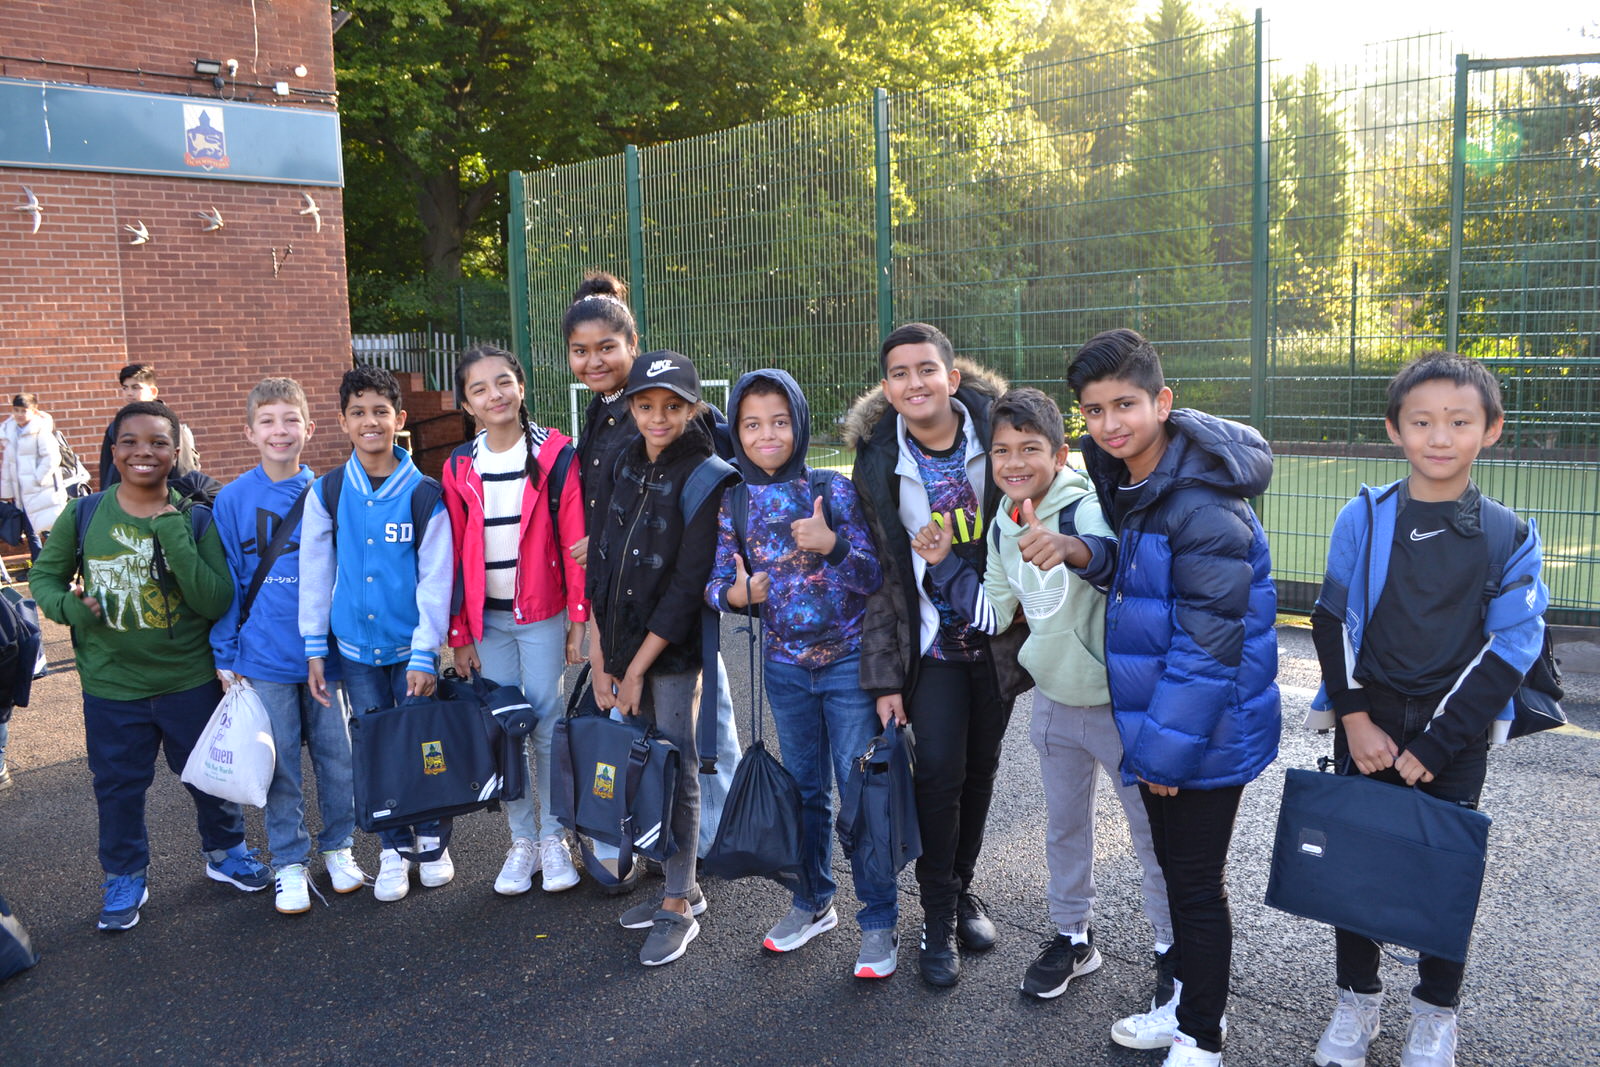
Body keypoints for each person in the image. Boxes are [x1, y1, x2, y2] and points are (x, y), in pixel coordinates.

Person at [1307, 352, 1546, 1067]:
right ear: (1395, 429)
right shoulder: (1364, 515)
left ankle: (1436, 1013)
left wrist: (1439, 743)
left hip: (1454, 734)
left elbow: (1512, 648)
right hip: (1370, 722)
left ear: (1490, 430)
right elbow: (1330, 618)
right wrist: (1354, 718)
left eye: (1459, 421)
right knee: (1358, 861)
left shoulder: (1510, 535)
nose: (1440, 437)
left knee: (1445, 871)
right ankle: (1357, 998)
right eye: (1422, 422)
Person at [909, 387, 1174, 1002]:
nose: (1014, 462)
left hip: (1117, 706)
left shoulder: (1084, 507)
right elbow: (993, 616)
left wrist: (1074, 550)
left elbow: (1121, 571)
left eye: (1030, 448)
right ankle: (1073, 937)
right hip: (1054, 701)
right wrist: (945, 563)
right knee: (1063, 829)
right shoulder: (1003, 525)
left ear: (1059, 454)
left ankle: (1172, 949)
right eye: (1002, 450)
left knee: (1151, 836)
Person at [1058, 328, 1279, 1067]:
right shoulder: (1143, 481)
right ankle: (1183, 1007)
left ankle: (1201, 1036)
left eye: (1125, 404)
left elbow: (1206, 646)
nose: (1110, 423)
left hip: (1199, 733)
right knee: (1182, 880)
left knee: (1194, 886)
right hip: (1168, 726)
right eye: (1094, 410)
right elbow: (1152, 584)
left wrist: (1162, 754)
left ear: (1162, 401)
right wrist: (1090, 555)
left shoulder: (1202, 503)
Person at [30, 400, 272, 932]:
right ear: (114, 450)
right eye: (131, 441)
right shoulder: (84, 514)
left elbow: (215, 599)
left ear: (176, 451)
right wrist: (70, 607)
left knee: (209, 776)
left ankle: (226, 852)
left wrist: (172, 536)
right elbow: (44, 578)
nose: (145, 452)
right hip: (112, 686)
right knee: (117, 786)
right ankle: (125, 875)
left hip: (188, 680)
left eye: (159, 442)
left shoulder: (196, 517)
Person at [841, 322, 1029, 987]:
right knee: (938, 775)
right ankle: (938, 915)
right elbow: (881, 579)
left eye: (926, 369)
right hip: (931, 650)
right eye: (899, 373)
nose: (914, 383)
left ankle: (963, 888)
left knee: (980, 773)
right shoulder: (876, 461)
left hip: (997, 643)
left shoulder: (1000, 437)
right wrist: (885, 679)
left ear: (952, 377)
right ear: (887, 388)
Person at [704, 369, 895, 977]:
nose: (767, 435)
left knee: (859, 792)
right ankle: (813, 901)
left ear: (800, 425)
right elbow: (715, 581)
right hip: (784, 670)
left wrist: (830, 544)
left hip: (847, 665)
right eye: (752, 424)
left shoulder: (830, 488)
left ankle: (879, 919)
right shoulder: (733, 500)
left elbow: (873, 575)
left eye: (780, 422)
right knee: (806, 792)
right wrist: (734, 597)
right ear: (736, 432)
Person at [563, 271, 740, 881]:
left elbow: (695, 510)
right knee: (653, 733)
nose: (594, 361)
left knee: (701, 732)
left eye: (607, 347)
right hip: (622, 602)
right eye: (581, 350)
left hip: (672, 609)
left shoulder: (678, 417)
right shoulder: (601, 413)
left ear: (632, 346)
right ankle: (663, 843)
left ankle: (710, 844)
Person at [588, 350, 738, 966]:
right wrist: (602, 653)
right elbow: (602, 560)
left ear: (693, 408)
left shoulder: (707, 475)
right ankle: (680, 885)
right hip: (620, 643)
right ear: (630, 407)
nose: (658, 417)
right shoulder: (624, 459)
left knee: (678, 764)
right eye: (646, 405)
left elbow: (685, 587)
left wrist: (637, 667)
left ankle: (679, 900)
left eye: (672, 406)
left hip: (670, 653)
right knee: (644, 762)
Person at [210, 378, 366, 914]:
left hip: (329, 656)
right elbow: (228, 581)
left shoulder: (331, 492)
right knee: (278, 767)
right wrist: (225, 654)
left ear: (310, 429)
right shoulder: (232, 499)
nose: (280, 431)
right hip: (264, 657)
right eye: (268, 421)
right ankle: (289, 861)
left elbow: (349, 573)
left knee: (338, 759)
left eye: (290, 420)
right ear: (250, 432)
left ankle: (339, 846)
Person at [298, 365, 451, 904]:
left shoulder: (425, 494)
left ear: (399, 419)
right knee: (376, 748)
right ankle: (392, 846)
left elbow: (437, 579)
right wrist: (314, 646)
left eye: (380, 412)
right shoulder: (328, 490)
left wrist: (426, 652)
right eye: (358, 412)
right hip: (357, 653)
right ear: (342, 421)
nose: (370, 421)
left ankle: (431, 838)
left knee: (422, 744)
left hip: (411, 651)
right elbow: (315, 573)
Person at [442, 344, 588, 897]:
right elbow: (453, 555)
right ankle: (521, 839)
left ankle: (554, 837)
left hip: (543, 613)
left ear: (520, 387)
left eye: (503, 382)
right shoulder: (459, 466)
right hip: (488, 622)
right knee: (507, 725)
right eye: (479, 389)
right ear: (467, 404)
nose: (494, 395)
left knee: (547, 721)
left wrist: (578, 621)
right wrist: (459, 633)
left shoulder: (556, 454)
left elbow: (574, 542)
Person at [98, 364, 201, 490]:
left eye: (136, 387)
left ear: (153, 392)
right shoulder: (116, 426)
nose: (129, 393)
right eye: (125, 388)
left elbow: (183, 469)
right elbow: (107, 468)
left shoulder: (169, 425)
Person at [1, 394, 68, 559]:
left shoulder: (40, 429)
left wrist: (37, 480)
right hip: (21, 492)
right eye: (16, 410)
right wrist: (7, 491)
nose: (19, 414)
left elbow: (52, 458)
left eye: (24, 411)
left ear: (34, 411)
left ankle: (60, 562)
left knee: (49, 528)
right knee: (30, 530)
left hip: (42, 490)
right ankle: (38, 564)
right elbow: (8, 463)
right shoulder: (10, 432)